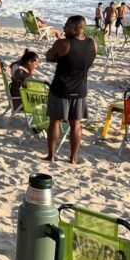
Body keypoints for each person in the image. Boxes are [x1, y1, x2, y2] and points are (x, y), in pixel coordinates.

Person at [45, 15, 96, 164]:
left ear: (75, 29)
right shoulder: (93, 44)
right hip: (80, 89)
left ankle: (51, 155)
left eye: (66, 26)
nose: (64, 27)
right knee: (76, 125)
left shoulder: (63, 43)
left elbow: (49, 57)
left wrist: (59, 56)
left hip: (61, 88)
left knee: (54, 121)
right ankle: (73, 158)